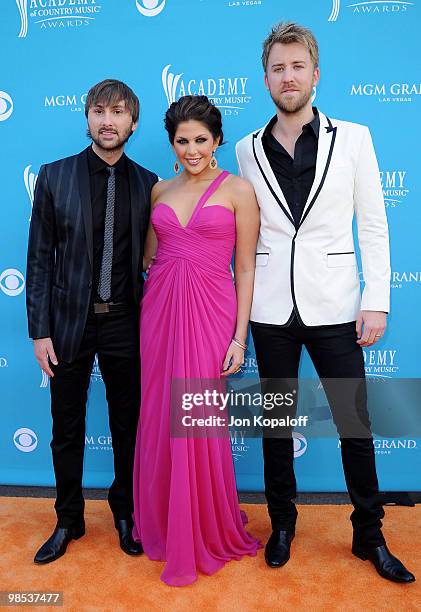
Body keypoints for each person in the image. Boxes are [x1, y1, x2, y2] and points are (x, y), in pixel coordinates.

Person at [236, 23, 415, 583]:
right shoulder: (245, 148)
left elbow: (374, 226)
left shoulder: (355, 138)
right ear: (265, 79)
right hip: (270, 310)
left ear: (315, 73)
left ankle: (370, 534)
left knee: (354, 424)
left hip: (337, 305)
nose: (287, 77)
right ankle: (282, 525)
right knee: (274, 425)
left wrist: (377, 300)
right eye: (277, 69)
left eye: (296, 67)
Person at [26, 79, 158, 564]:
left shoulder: (149, 184)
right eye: (100, 111)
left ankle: (125, 514)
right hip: (67, 324)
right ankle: (68, 519)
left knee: (128, 424)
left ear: (133, 123)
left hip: (127, 321)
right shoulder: (54, 176)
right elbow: (39, 259)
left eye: (118, 112)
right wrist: (39, 330)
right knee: (67, 424)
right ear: (86, 118)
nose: (108, 120)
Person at [132, 95, 261, 586]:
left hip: (212, 314)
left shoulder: (238, 190)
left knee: (198, 416)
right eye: (182, 140)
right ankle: (163, 521)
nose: (191, 149)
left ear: (217, 141)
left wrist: (239, 337)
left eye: (200, 140)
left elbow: (245, 267)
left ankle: (203, 526)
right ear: (172, 143)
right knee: (161, 412)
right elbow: (151, 255)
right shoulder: (159, 190)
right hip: (161, 309)